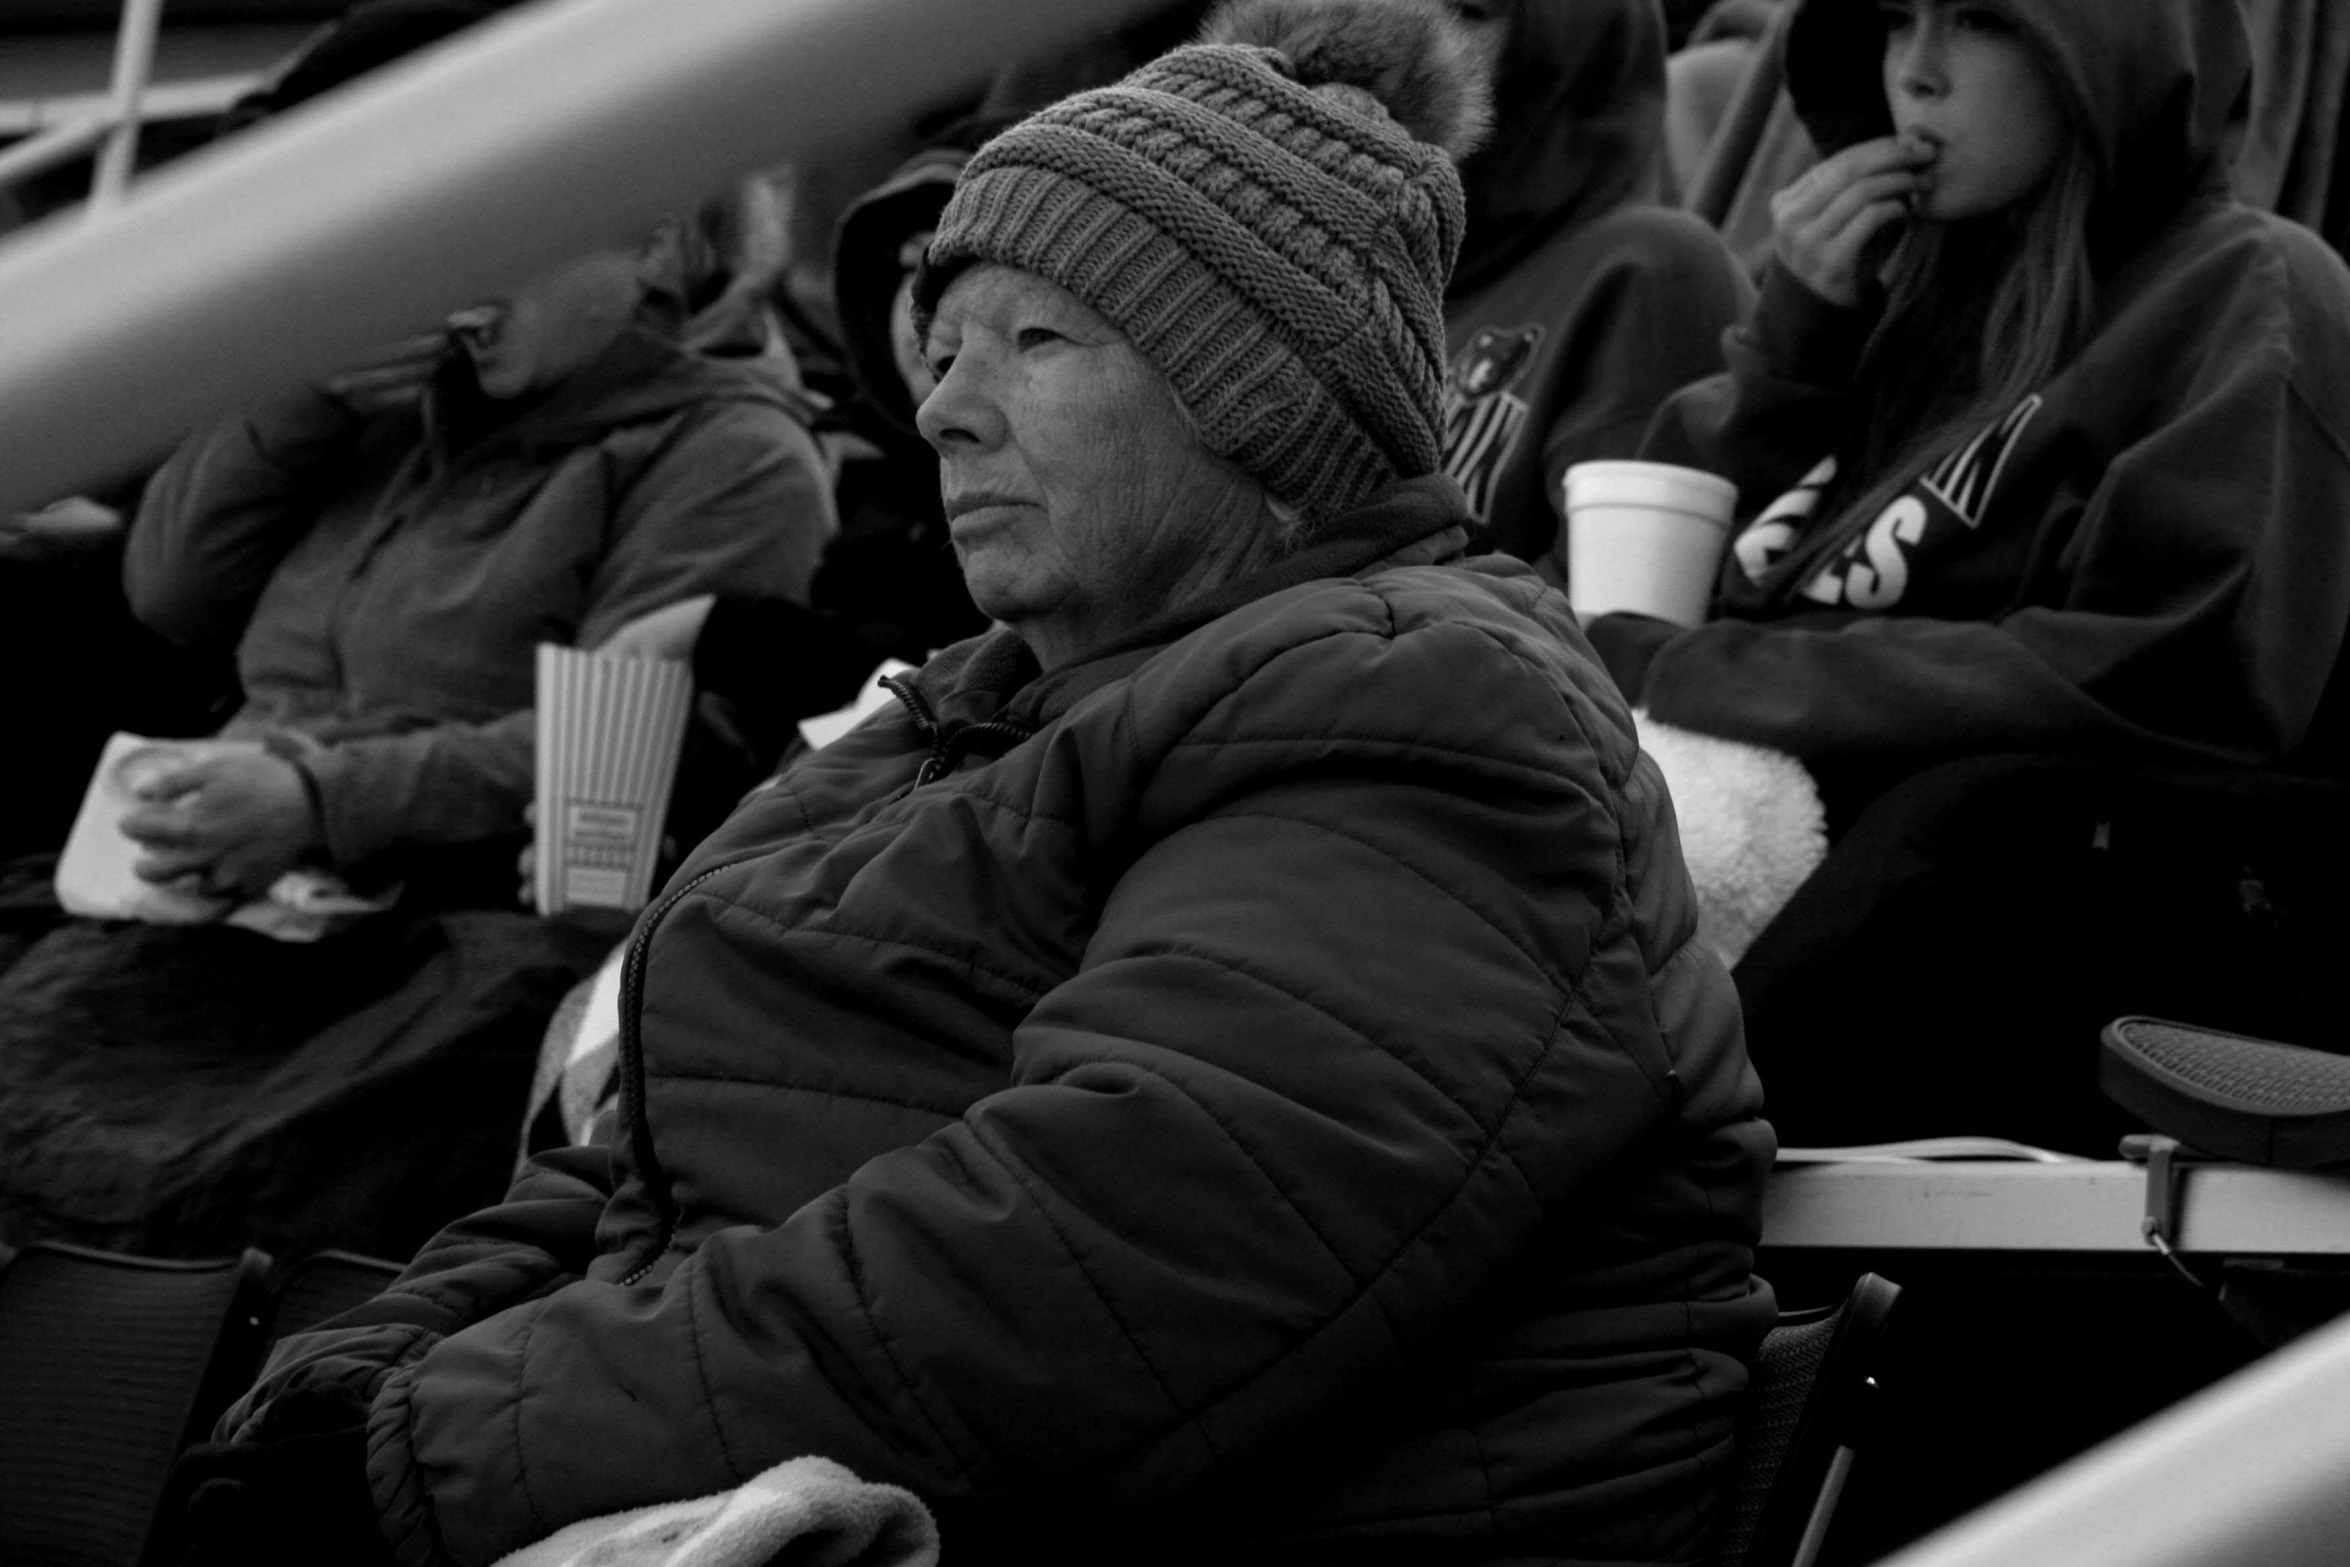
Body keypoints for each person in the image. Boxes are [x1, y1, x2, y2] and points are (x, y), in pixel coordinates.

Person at [179, 4, 1775, 1564]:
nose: (943, 404)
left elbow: (1090, 1260)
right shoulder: (983, 709)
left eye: (1034, 340)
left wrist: (426, 1451)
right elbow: (643, 1158)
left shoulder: (1427, 711)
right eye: (942, 350)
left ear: (1258, 401)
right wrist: (357, 1379)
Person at [1586, 0, 2350, 1146]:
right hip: (1719, 863)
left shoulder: (2243, 285)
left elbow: (2166, 676)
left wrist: (1698, 672)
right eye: (1893, 21)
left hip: (2003, 917)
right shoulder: (1897, 310)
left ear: (2111, 50)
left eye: (1979, 22)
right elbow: (1633, 569)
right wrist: (1794, 350)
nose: (1918, 76)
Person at [0, 227, 837, 1261]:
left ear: (652, 244)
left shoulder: (728, 451)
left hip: (449, 939)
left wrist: (318, 800)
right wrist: (301, 394)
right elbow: (171, 590)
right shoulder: (388, 415)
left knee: (187, 1199)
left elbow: (628, 740)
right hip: (215, 916)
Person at [1437, 0, 1752, 569]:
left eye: (1467, 11)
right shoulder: (1368, 279)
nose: (1410, 34)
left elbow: (1611, 621)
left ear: (1576, 52)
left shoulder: (1651, 267)